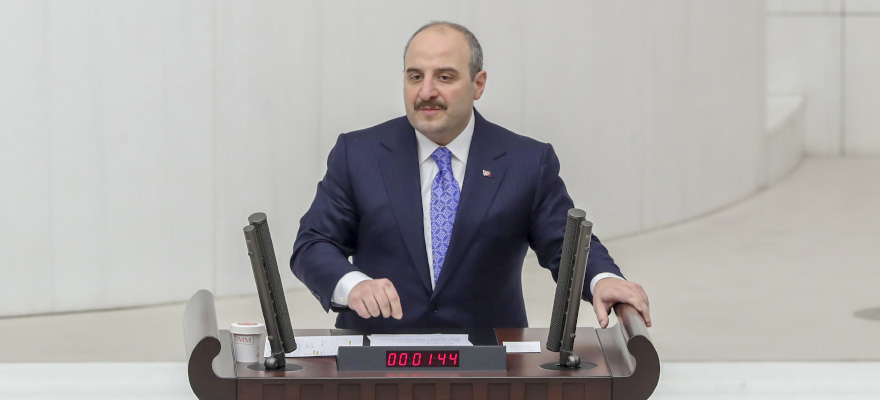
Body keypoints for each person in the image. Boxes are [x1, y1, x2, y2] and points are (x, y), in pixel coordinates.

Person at [291, 21, 650, 331]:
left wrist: (602, 279)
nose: (426, 92)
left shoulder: (527, 162)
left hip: (490, 362)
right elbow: (313, 244)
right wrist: (352, 285)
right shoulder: (358, 154)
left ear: (478, 84)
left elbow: (564, 243)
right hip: (375, 360)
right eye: (415, 77)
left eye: (444, 77)